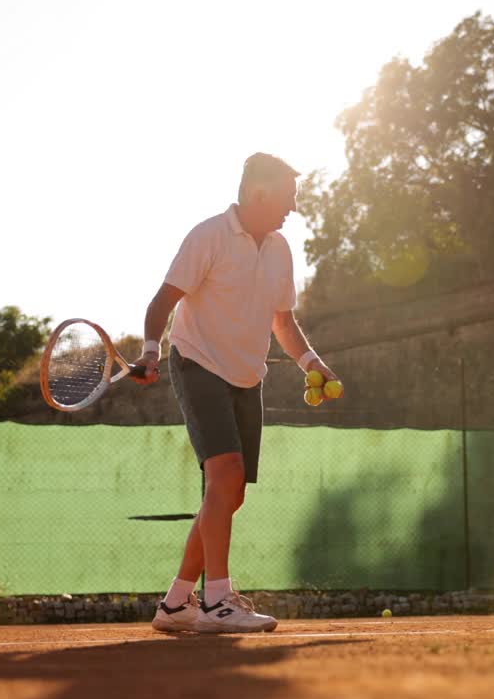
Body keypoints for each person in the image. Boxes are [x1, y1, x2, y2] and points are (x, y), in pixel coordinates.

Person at [133, 152, 340, 633]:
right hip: (198, 362)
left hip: (247, 376)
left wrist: (312, 362)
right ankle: (217, 601)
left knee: (229, 496)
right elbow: (163, 301)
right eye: (289, 197)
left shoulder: (281, 249)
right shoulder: (208, 236)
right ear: (259, 193)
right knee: (224, 475)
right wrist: (148, 350)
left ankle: (176, 603)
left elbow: (282, 321)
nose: (294, 207)